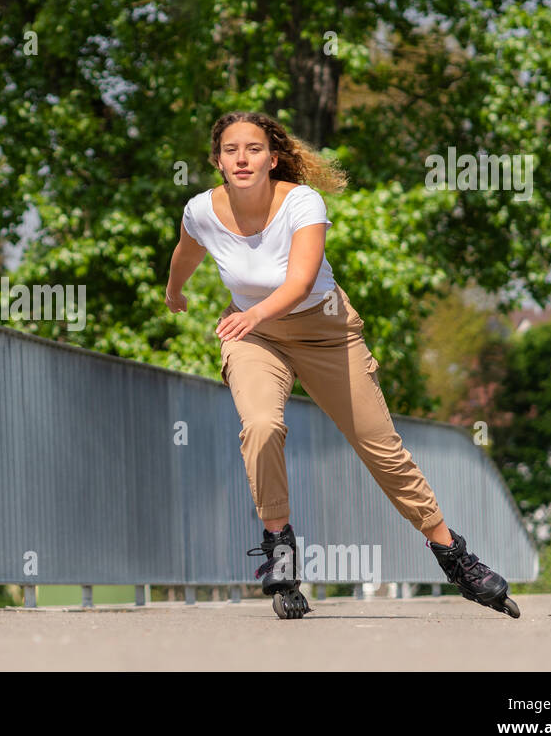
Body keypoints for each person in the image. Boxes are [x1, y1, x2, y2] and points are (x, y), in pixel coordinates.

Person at [164, 111, 518, 619]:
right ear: (216, 159)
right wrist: (174, 291)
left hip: (325, 332)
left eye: (254, 149)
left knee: (381, 450)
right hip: (255, 337)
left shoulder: (302, 203)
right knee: (262, 426)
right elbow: (186, 250)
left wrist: (255, 313)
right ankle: (278, 544)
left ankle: (453, 556)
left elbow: (302, 281)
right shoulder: (201, 210)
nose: (242, 159)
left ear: (272, 157)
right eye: (231, 150)